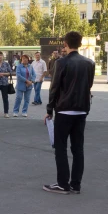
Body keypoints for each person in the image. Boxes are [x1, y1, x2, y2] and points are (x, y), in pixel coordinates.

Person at [43, 31, 95, 195]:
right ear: (80, 43)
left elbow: (55, 87)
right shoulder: (89, 63)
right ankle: (76, 185)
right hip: (81, 110)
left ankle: (62, 184)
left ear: (65, 43)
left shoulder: (61, 62)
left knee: (61, 147)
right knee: (78, 148)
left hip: (64, 110)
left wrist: (49, 109)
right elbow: (89, 85)